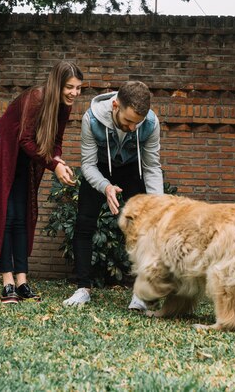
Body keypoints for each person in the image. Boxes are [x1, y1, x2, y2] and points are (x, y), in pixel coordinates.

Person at [0, 61, 83, 304]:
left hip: (23, 157)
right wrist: (53, 165)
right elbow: (24, 138)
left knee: (22, 216)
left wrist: (58, 160)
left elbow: (56, 141)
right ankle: (7, 283)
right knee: (8, 214)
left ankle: (22, 283)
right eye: (70, 87)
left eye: (78, 88)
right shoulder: (36, 98)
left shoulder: (63, 106)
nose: (75, 93)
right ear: (57, 84)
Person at [63, 80, 163, 309]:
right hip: (99, 167)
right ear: (116, 106)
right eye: (128, 121)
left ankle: (141, 293)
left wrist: (158, 203)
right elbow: (87, 164)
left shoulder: (150, 123)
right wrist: (105, 186)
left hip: (132, 169)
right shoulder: (92, 119)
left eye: (137, 123)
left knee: (143, 227)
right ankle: (83, 288)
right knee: (84, 224)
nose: (132, 128)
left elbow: (151, 166)